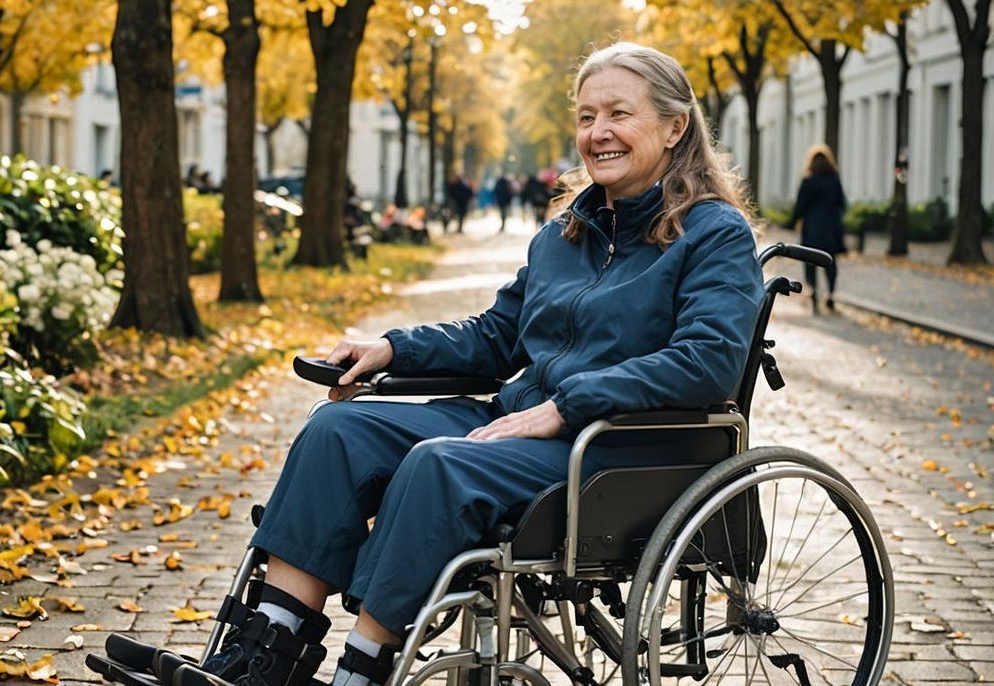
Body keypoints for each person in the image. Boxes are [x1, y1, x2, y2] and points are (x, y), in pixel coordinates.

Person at [96, 41, 764, 686]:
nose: (599, 133)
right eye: (587, 117)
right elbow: (500, 336)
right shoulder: (566, 233)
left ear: (675, 127)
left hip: (622, 450)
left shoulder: (713, 233)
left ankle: (362, 670)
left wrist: (565, 405)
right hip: (528, 428)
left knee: (439, 464)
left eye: (619, 113)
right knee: (338, 433)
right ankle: (261, 660)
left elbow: (705, 362)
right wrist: (392, 348)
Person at [788, 144, 847, 314]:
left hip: (813, 227)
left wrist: (792, 223)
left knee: (810, 262)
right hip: (831, 227)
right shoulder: (834, 181)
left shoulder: (808, 182)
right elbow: (842, 204)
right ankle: (830, 294)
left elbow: (800, 207)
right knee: (830, 262)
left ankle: (813, 292)